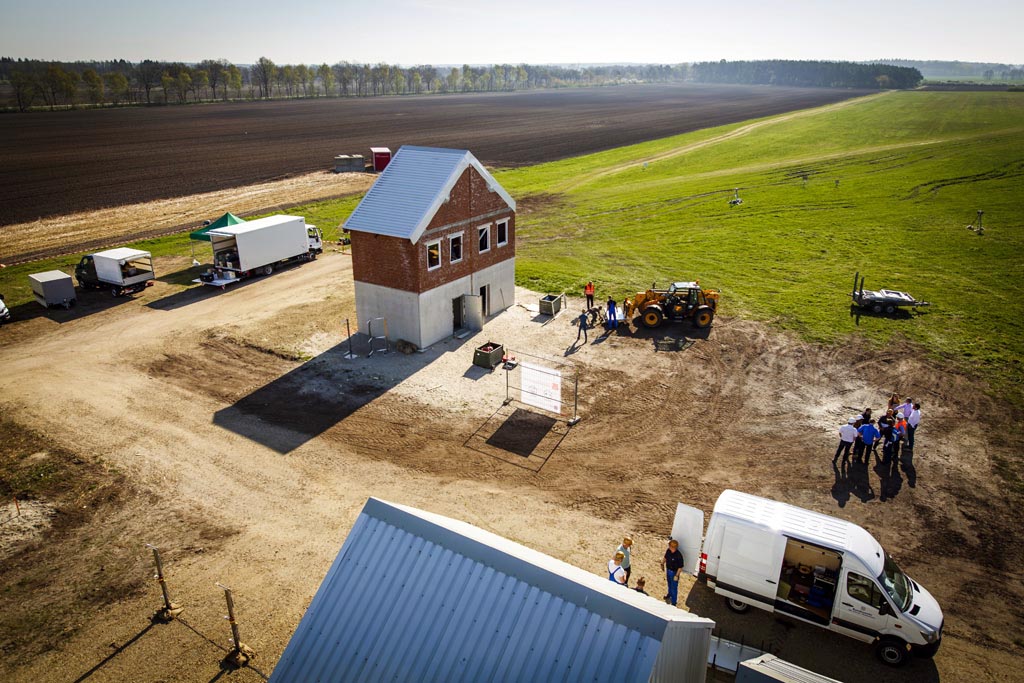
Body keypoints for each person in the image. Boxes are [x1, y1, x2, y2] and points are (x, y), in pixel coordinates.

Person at [661, 539, 684, 606]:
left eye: (670, 546)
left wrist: (676, 575)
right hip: (668, 570)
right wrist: (662, 563)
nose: (669, 547)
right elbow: (665, 557)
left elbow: (680, 567)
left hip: (674, 572)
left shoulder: (678, 555)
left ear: (673, 547)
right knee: (669, 583)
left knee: (674, 587)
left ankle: (674, 602)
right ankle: (669, 594)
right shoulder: (668, 551)